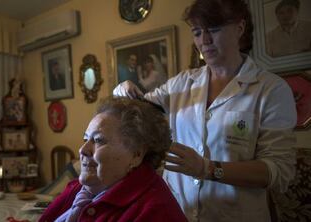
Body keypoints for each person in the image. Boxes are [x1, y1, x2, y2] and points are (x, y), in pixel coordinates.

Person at [113, 0, 297, 221]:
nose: (204, 41)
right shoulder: (182, 83)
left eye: (214, 30)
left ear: (240, 28)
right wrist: (123, 91)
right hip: (175, 212)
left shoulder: (271, 89)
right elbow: (138, 109)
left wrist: (207, 169)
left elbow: (278, 171)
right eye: (197, 32)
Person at [39, 97, 187, 222]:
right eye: (85, 138)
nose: (82, 149)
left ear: (136, 155)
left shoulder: (156, 212)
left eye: (98, 140)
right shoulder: (79, 189)